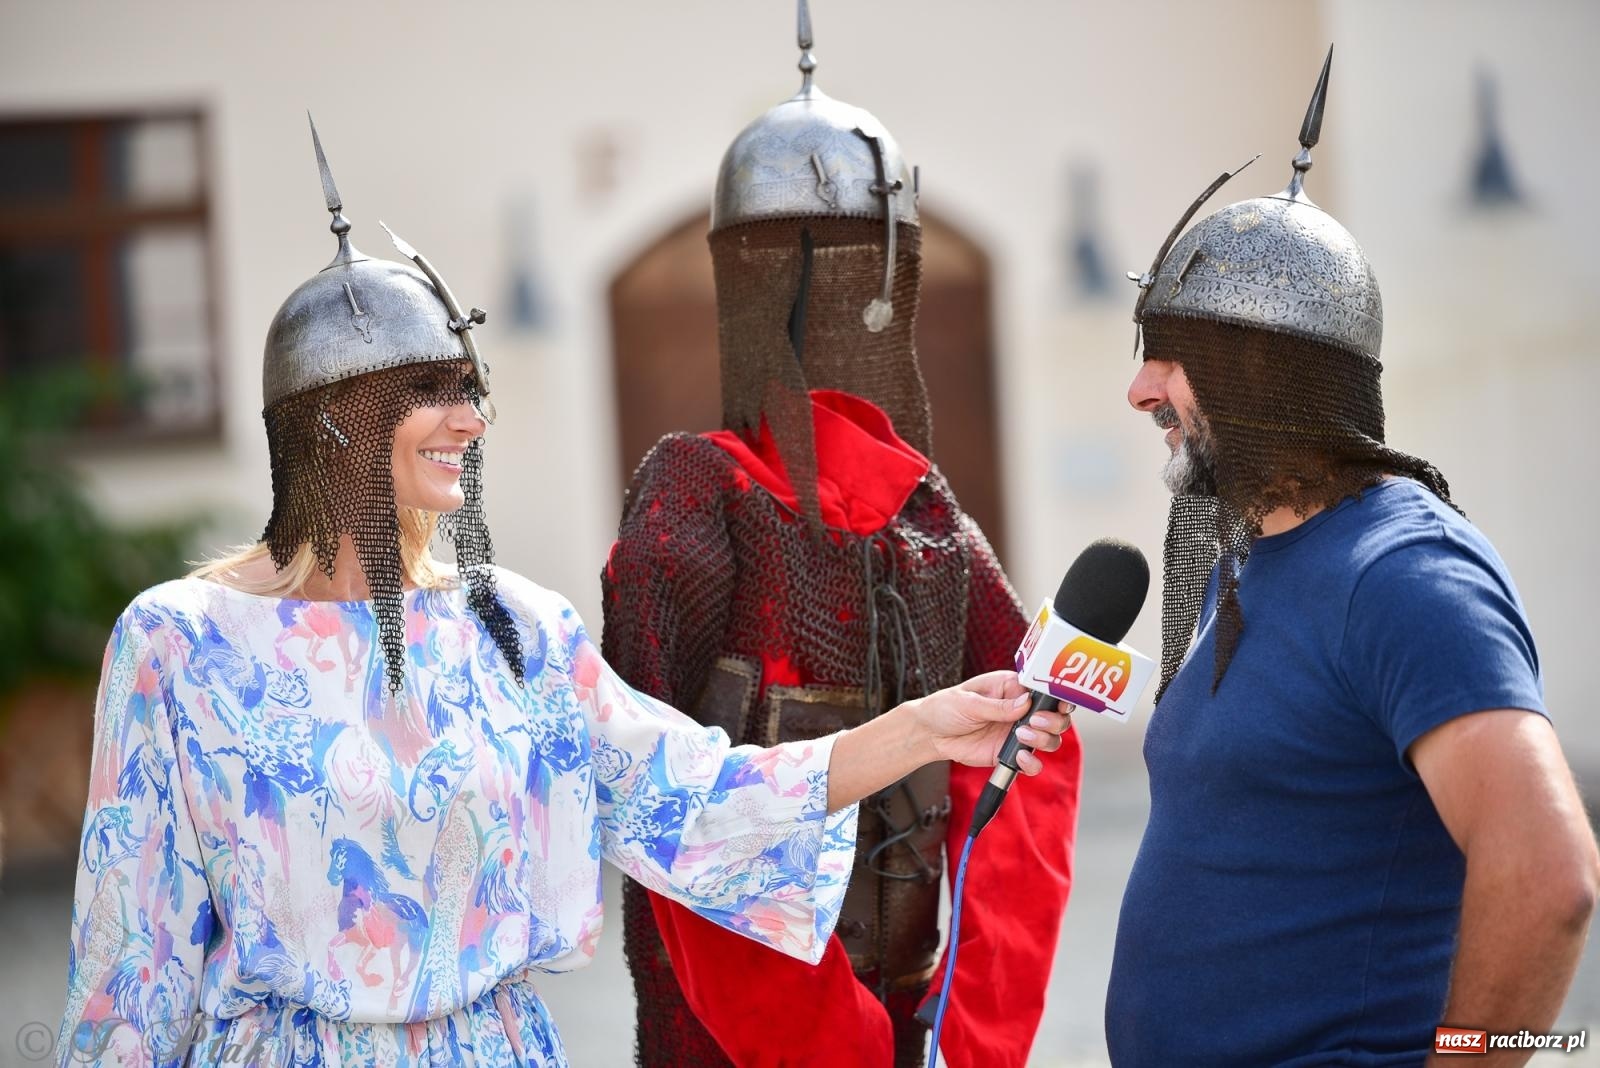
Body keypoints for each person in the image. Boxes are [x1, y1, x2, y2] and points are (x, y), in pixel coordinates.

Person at [52, 118, 1074, 1068]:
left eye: (471, 387)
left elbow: (697, 798)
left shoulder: (517, 630)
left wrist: (927, 730)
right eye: (433, 391)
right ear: (330, 420)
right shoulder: (182, 641)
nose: (471, 418)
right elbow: (129, 950)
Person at [603, 5, 1080, 1068]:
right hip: (756, 1041)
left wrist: (961, 1036)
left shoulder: (926, 517)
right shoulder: (704, 501)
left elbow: (1031, 748)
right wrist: (969, 1041)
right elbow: (674, 798)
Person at [1107, 49, 1599, 1066]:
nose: (1140, 390)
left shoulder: (1403, 576)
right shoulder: (1243, 560)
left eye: (1171, 355)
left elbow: (1551, 877)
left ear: (1261, 371)